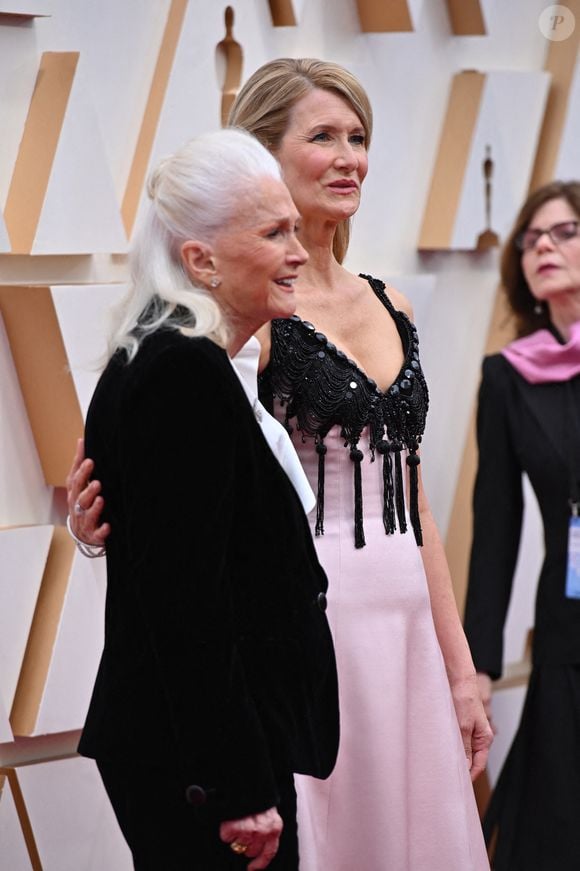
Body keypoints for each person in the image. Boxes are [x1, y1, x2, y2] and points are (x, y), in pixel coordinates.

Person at [68, 59, 492, 870]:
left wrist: (461, 666)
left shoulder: (388, 301)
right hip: (314, 625)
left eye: (359, 136)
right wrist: (91, 519)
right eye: (323, 135)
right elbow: (158, 478)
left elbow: (419, 502)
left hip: (405, 616)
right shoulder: (245, 318)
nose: (348, 157)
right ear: (264, 154)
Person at [72, 127, 339, 871]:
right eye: (274, 231)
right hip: (200, 765)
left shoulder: (170, 354)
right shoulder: (182, 372)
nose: (298, 249)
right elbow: (188, 603)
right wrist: (238, 784)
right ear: (201, 259)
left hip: (194, 749)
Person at [464, 180, 580, 870]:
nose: (543, 244)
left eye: (564, 231)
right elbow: (497, 526)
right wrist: (480, 663)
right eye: (532, 237)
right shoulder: (508, 377)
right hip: (568, 631)